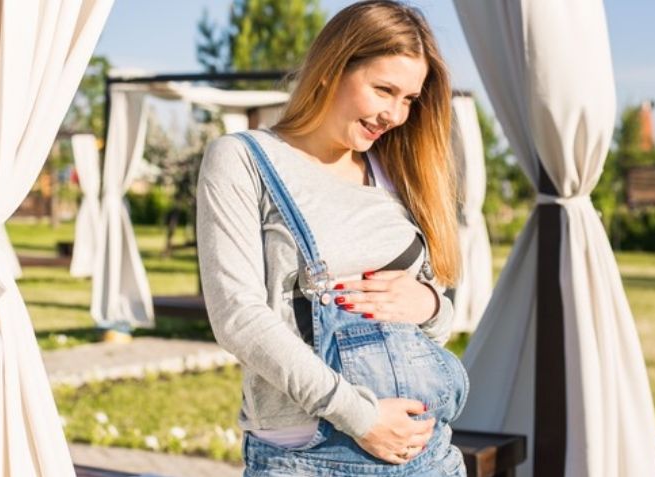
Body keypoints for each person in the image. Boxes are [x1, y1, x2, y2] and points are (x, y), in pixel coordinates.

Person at [196, 1, 469, 475]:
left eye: (409, 99)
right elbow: (238, 317)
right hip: (311, 459)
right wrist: (362, 417)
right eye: (384, 90)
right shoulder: (244, 160)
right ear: (332, 69)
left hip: (429, 456)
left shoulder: (396, 170)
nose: (395, 114)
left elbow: (436, 325)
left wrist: (428, 304)